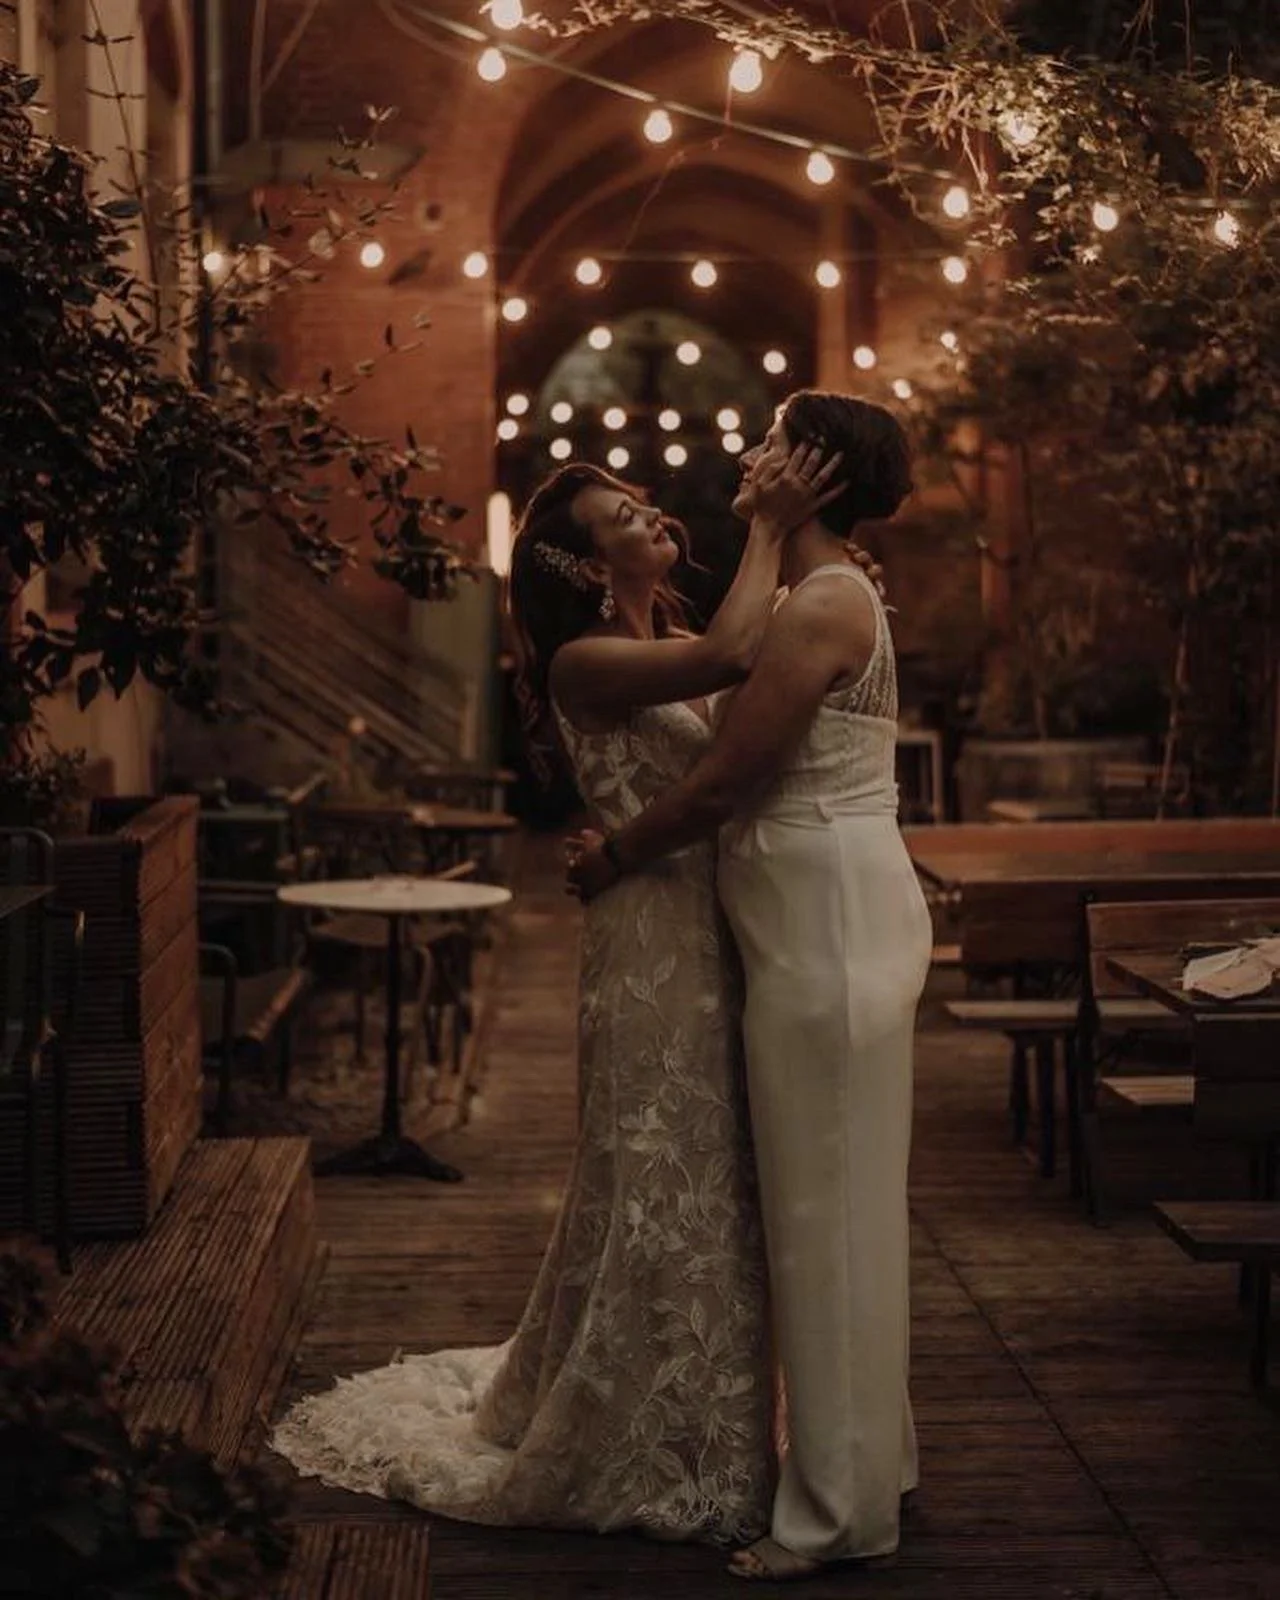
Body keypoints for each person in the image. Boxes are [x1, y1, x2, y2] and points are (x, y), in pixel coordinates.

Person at [270, 444, 846, 1542]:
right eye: (621, 518)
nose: (648, 517)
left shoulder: (658, 636)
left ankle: (707, 1410)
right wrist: (770, 526)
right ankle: (656, 1430)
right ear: (584, 566)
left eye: (637, 505)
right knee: (660, 1170)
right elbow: (735, 652)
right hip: (649, 945)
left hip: (711, 927)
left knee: (712, 1172)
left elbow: (750, 676)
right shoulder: (585, 661)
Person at [568, 391, 933, 1582]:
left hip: (829, 924)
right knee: (834, 1211)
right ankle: (874, 1463)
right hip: (809, 920)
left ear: (814, 469)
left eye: (774, 440)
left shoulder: (824, 600)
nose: (749, 451)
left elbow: (727, 779)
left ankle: (834, 1516)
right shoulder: (807, 591)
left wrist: (616, 853)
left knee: (828, 1219)